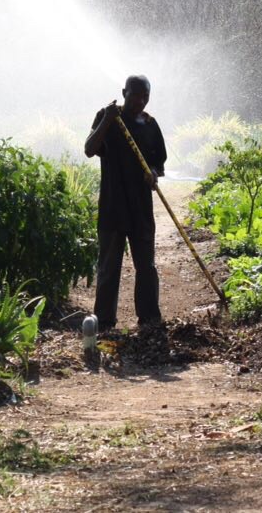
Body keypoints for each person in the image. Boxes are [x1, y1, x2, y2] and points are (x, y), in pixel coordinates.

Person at [84, 75, 167, 332]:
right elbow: (89, 149)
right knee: (109, 266)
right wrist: (108, 119)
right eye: (135, 96)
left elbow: (159, 164)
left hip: (141, 208)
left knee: (147, 266)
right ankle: (105, 322)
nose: (140, 102)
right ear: (123, 92)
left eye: (145, 97)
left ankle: (150, 319)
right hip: (112, 206)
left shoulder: (150, 125)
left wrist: (152, 173)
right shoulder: (108, 117)